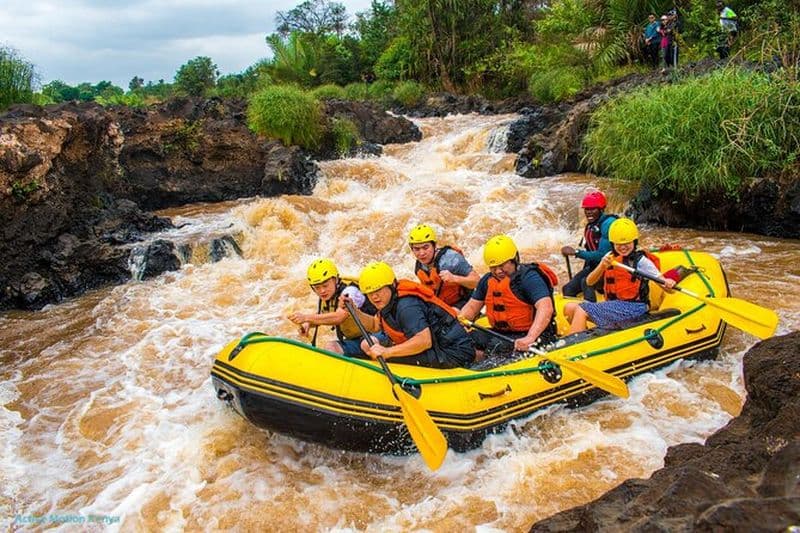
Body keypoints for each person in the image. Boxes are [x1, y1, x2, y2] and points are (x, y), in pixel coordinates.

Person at [351, 261, 475, 368]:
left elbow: (424, 341)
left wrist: (388, 352)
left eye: (378, 290)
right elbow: (374, 326)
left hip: (453, 352)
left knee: (387, 360)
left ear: (392, 285)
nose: (374, 297)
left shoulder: (407, 306)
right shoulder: (387, 302)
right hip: (440, 348)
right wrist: (353, 310)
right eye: (370, 293)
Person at [563, 218, 676, 334]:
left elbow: (667, 287)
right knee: (570, 307)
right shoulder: (610, 257)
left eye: (627, 243)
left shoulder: (641, 261)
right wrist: (601, 266)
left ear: (634, 242)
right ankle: (584, 337)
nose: (623, 247)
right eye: (618, 244)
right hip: (615, 306)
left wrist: (668, 282)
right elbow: (589, 282)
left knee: (581, 309)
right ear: (612, 244)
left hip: (635, 308)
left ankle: (577, 346)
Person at [459, 235, 558, 359]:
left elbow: (546, 308)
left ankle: (483, 365)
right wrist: (459, 323)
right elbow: (472, 308)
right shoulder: (487, 280)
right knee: (464, 340)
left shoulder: (529, 278)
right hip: (503, 333)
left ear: (514, 259)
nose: (498, 271)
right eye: (493, 268)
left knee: (497, 347)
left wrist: (530, 338)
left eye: (502, 266)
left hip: (535, 334)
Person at [288, 258, 383, 357]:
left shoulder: (350, 291)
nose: (322, 291)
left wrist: (306, 317)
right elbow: (324, 315)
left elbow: (339, 317)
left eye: (325, 285)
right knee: (330, 347)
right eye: (317, 288)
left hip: (377, 335)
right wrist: (308, 323)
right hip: (355, 340)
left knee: (367, 344)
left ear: (336, 280)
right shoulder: (327, 297)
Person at [407, 224, 480, 310]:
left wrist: (454, 278)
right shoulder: (420, 265)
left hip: (464, 301)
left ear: (434, 245)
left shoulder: (451, 259)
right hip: (441, 305)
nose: (421, 253)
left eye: (425, 247)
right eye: (417, 249)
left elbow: (477, 281)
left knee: (452, 314)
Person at [561, 191, 617, 302]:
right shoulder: (592, 225)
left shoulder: (608, 224)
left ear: (601, 209)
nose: (588, 213)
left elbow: (602, 255)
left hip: (611, 267)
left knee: (585, 282)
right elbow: (590, 249)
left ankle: (591, 313)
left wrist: (576, 252)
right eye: (586, 209)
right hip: (595, 266)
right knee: (568, 289)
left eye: (593, 209)